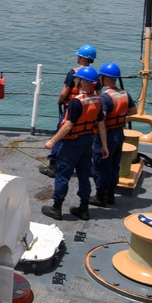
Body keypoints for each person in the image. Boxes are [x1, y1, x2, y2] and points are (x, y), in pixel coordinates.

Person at [41, 66, 108, 221]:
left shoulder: (76, 102)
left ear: (83, 81)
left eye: (77, 78)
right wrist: (104, 145)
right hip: (87, 142)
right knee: (84, 175)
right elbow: (101, 124)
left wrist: (52, 141)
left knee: (62, 174)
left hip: (72, 144)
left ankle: (56, 208)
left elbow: (68, 125)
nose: (75, 80)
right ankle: (84, 209)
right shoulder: (98, 100)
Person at [41, 44, 96, 177]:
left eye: (79, 55)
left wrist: (60, 101)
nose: (77, 57)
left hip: (73, 107)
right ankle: (84, 166)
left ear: (82, 58)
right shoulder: (95, 74)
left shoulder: (73, 73)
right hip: (89, 109)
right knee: (85, 133)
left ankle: (53, 166)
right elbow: (98, 94)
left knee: (62, 133)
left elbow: (65, 91)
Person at [91, 62, 138, 207]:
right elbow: (133, 112)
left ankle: (100, 196)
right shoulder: (125, 94)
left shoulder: (105, 98)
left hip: (107, 135)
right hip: (119, 133)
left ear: (105, 78)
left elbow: (101, 121)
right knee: (113, 165)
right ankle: (110, 194)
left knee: (100, 166)